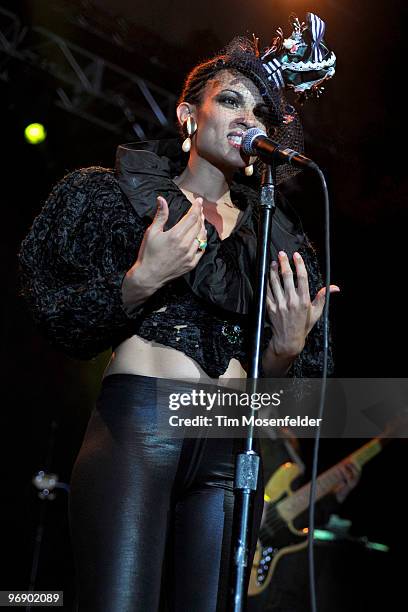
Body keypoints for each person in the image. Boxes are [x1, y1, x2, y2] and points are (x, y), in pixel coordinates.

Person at [18, 13, 337, 612]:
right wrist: (140, 281)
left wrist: (284, 353)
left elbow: (293, 404)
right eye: (233, 101)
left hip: (230, 446)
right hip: (140, 429)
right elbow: (54, 313)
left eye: (262, 112)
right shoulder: (119, 199)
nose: (250, 118)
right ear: (189, 116)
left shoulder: (277, 239)